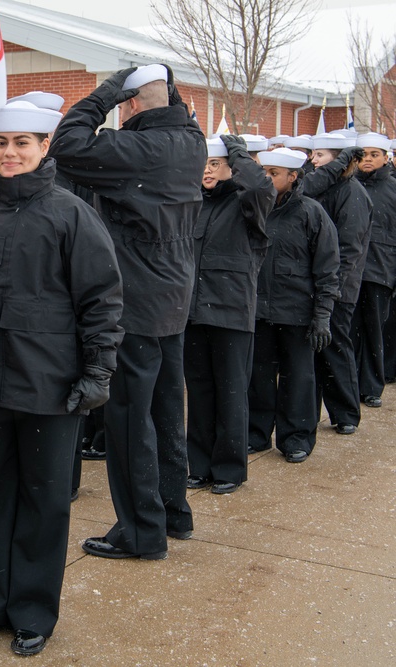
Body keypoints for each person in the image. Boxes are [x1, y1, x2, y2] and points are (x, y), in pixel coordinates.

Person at [0, 100, 123, 657]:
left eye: (22, 143)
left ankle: (32, 611)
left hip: (50, 384)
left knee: (44, 502)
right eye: (1, 144)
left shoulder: (71, 214)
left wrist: (98, 369)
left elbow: (101, 299)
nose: (9, 153)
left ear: (44, 146)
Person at [49, 63, 205, 560]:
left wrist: (104, 94)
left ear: (131, 104)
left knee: (130, 420)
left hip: (134, 300)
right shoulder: (192, 141)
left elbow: (66, 144)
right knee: (164, 411)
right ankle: (172, 510)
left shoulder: (138, 149)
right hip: (172, 296)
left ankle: (141, 531)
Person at [184, 136, 274, 494]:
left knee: (232, 393)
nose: (207, 169)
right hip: (193, 313)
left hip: (232, 313)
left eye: (216, 163)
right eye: (204, 163)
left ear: (232, 168)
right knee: (201, 394)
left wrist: (237, 153)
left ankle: (229, 470)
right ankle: (201, 465)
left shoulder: (247, 204)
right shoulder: (192, 204)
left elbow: (258, 185)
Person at [248, 148, 340, 462]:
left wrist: (322, 316)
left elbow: (327, 268)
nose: (267, 178)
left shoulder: (311, 213)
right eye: (263, 172)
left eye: (274, 173)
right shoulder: (253, 208)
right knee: (257, 377)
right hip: (258, 312)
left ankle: (297, 437)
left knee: (298, 378)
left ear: (293, 176)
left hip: (297, 312)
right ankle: (256, 433)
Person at [305, 133, 373, 435]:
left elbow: (349, 249)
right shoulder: (323, 188)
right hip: (315, 286)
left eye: (320, 155)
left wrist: (331, 292)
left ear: (338, 158)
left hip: (337, 288)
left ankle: (346, 412)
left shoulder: (351, 193)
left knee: (336, 349)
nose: (313, 160)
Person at [351, 133, 396, 407]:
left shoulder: (393, 189)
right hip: (350, 272)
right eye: (363, 155)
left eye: (374, 155)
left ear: (385, 157)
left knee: (374, 330)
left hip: (380, 270)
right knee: (349, 330)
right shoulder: (348, 186)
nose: (367, 160)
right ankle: (349, 383)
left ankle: (370, 386)